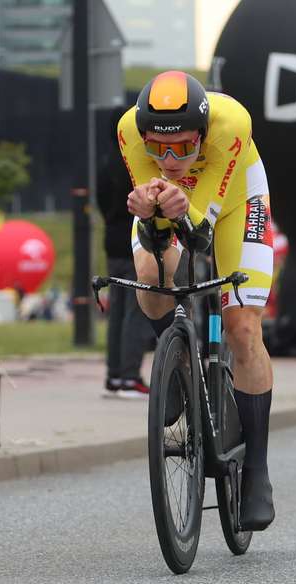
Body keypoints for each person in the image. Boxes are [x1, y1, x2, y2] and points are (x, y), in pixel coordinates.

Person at [119, 71, 275, 531]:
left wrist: (177, 208)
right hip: (175, 201)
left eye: (184, 147)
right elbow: (158, 222)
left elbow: (201, 233)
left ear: (202, 135)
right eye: (158, 148)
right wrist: (149, 212)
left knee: (243, 329)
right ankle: (179, 373)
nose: (169, 159)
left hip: (237, 200)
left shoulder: (231, 123)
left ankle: (257, 470)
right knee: (150, 275)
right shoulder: (129, 130)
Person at [97, 108, 155, 399]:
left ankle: (114, 375)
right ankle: (131, 376)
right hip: (134, 242)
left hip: (111, 241)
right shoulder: (133, 164)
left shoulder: (104, 164)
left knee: (117, 311)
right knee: (136, 310)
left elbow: (101, 203)